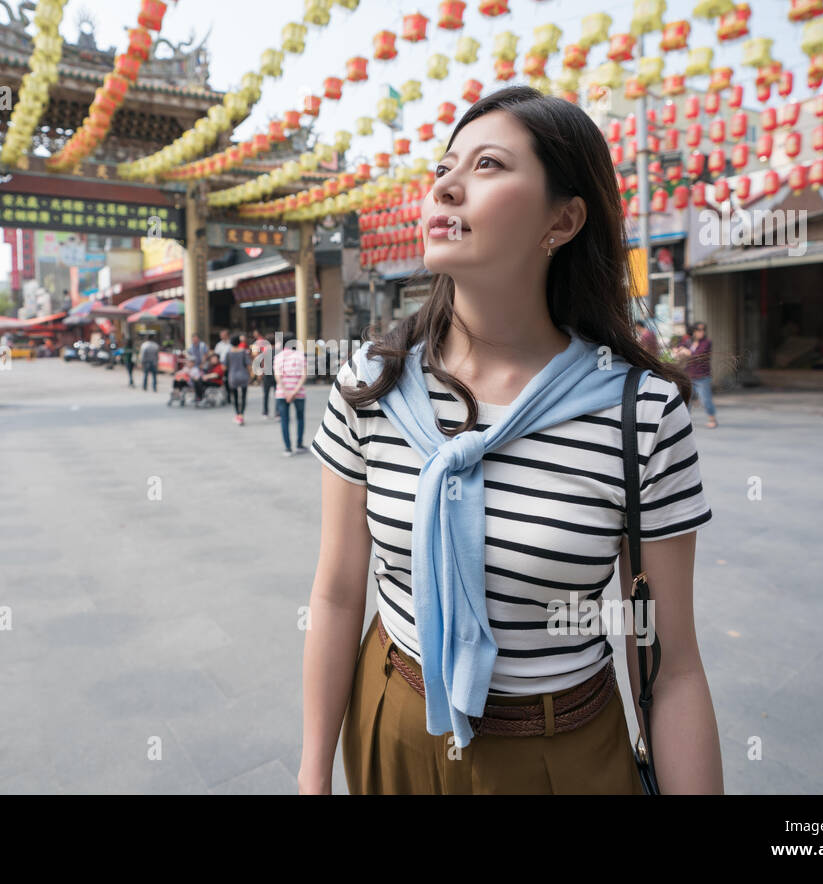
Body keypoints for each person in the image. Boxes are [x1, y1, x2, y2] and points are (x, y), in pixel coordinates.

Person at [301, 86, 721, 795]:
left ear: (562, 219)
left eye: (488, 165)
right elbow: (341, 593)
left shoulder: (640, 412)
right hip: (392, 725)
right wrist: (312, 775)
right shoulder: (372, 385)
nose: (447, 187)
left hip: (562, 753)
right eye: (443, 168)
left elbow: (671, 663)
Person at [273, 331, 307, 456]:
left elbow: (278, 376)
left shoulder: (278, 357)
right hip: (299, 392)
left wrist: (287, 392)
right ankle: (299, 445)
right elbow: (303, 376)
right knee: (300, 418)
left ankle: (288, 448)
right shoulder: (300, 355)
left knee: (284, 420)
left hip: (282, 393)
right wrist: (294, 392)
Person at [684, 321, 717, 428]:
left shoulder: (706, 342)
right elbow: (680, 347)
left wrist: (686, 352)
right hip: (689, 374)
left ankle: (712, 418)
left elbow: (699, 355)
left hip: (702, 375)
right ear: (693, 331)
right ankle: (684, 421)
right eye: (699, 330)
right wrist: (678, 350)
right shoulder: (688, 342)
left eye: (703, 330)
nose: (701, 332)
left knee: (705, 399)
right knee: (686, 399)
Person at [225, 333, 252, 425]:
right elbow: (248, 365)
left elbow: (225, 367)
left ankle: (237, 414)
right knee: (243, 396)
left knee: (235, 396)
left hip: (233, 376)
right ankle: (242, 414)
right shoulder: (243, 351)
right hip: (243, 375)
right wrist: (250, 375)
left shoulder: (228, 353)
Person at [250, 329, 276, 418]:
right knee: (277, 394)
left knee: (266, 394)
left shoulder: (265, 350)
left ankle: (265, 412)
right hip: (277, 375)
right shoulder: (279, 351)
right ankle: (278, 413)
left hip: (267, 374)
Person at [213, 329, 232, 408]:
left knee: (229, 381)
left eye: (223, 335)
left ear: (227, 335)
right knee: (222, 380)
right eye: (221, 335)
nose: (221, 336)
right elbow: (216, 355)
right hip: (221, 365)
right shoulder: (219, 345)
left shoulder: (231, 344)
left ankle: (230, 396)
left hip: (230, 365)